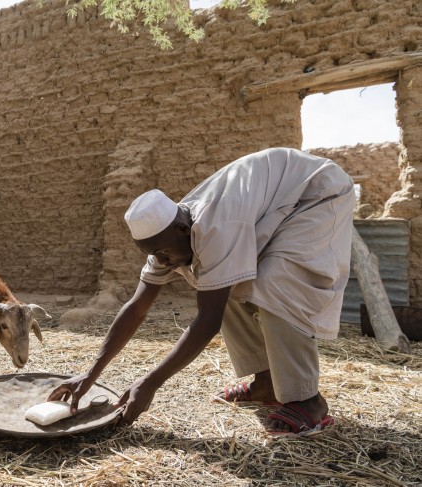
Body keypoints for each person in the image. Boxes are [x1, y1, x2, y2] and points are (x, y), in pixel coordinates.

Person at [49, 147, 356, 435]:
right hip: (278, 204)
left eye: (163, 253)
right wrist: (89, 374)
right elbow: (137, 306)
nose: (161, 261)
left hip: (316, 192)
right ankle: (267, 383)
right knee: (231, 283)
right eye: (153, 254)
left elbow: (207, 321)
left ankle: (308, 402)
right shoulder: (166, 238)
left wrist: (150, 382)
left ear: (183, 230)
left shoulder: (216, 227)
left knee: (277, 282)